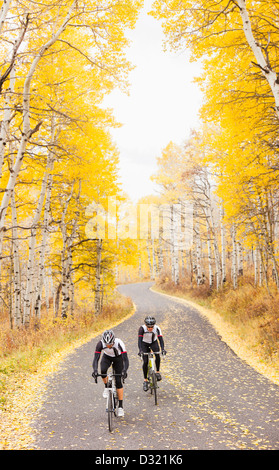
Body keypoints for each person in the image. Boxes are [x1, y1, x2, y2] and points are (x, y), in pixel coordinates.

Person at [92, 329, 129, 417]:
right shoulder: (100, 344)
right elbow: (96, 359)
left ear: (114, 340)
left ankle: (120, 407)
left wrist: (124, 370)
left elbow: (125, 359)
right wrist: (95, 371)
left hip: (118, 358)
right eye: (107, 344)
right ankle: (106, 386)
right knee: (103, 371)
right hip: (107, 357)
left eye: (111, 344)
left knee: (118, 380)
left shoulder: (119, 343)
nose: (109, 346)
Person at [138, 316, 166, 391]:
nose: (150, 328)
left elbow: (161, 340)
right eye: (148, 327)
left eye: (151, 327)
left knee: (157, 355)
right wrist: (140, 350)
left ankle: (157, 372)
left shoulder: (157, 328)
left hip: (153, 342)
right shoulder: (142, 329)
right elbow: (139, 340)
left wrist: (163, 349)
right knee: (145, 361)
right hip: (144, 344)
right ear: (145, 325)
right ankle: (145, 380)